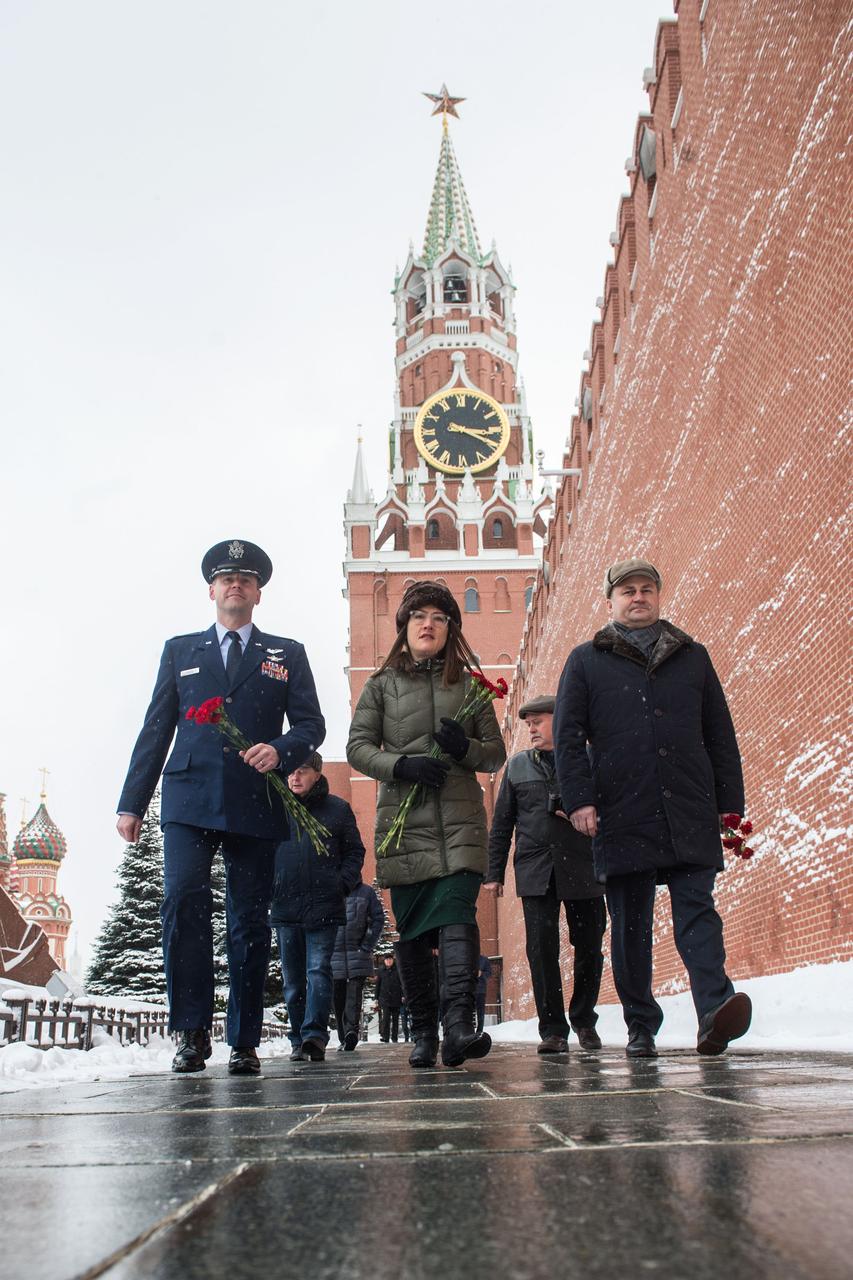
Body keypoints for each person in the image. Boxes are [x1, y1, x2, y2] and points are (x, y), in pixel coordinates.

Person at [116, 539, 325, 1076]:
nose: (236, 585)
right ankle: (190, 1033)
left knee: (248, 920)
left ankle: (244, 1041)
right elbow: (156, 728)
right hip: (188, 798)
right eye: (227, 578)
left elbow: (311, 726)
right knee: (184, 904)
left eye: (247, 579)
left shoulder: (286, 653)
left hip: (255, 801)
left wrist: (280, 750)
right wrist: (132, 803)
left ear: (258, 594)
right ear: (211, 590)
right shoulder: (181, 651)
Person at [553, 557, 752, 1059]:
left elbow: (719, 734)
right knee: (631, 924)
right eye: (627, 591)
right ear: (611, 602)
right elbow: (569, 739)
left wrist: (730, 805)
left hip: (688, 803)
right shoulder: (586, 660)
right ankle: (642, 1025)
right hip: (622, 807)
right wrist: (580, 800)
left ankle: (714, 1011)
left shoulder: (693, 656)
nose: (638, 597)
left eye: (646, 589)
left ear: (658, 597)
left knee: (697, 910)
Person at [347, 580, 506, 1068]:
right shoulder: (382, 685)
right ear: (405, 627)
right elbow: (358, 747)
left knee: (459, 915)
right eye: (419, 617)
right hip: (404, 823)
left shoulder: (472, 687)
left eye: (439, 617)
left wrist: (464, 750)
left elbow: (495, 753)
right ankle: (424, 1032)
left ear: (450, 628)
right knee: (413, 932)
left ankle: (458, 1027)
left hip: (459, 823)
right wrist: (401, 766)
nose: (429, 624)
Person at [484, 695, 606, 1054]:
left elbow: (609, 809)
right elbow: (502, 823)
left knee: (589, 946)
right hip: (536, 867)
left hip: (583, 864)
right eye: (528, 724)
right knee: (541, 950)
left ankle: (584, 1020)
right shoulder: (518, 766)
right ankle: (552, 1029)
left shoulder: (588, 759)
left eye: (538, 721)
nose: (532, 729)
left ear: (561, 718)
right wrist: (495, 872)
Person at [270, 753, 364, 1063]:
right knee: (293, 980)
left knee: (318, 971)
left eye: (302, 771)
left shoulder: (337, 809)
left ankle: (314, 1035)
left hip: (324, 906)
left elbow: (354, 852)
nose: (295, 778)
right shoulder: (276, 807)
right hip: (285, 907)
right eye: (291, 772)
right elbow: (261, 852)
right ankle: (298, 1037)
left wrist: (341, 884)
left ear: (317, 773)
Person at [331, 878, 385, 1051]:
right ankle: (343, 1035)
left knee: (354, 994)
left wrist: (367, 945)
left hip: (358, 953)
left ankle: (351, 1031)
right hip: (334, 955)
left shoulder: (366, 892)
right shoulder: (330, 888)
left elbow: (378, 919)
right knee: (337, 998)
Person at [375, 954, 404, 1042]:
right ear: (384, 961)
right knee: (386, 1019)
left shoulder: (398, 970)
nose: (389, 961)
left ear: (393, 960)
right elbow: (378, 985)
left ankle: (394, 1038)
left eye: (390, 959)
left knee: (395, 1019)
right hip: (385, 998)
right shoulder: (381, 971)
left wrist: (403, 995)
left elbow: (402, 983)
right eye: (387, 959)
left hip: (396, 997)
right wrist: (376, 998)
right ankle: (385, 1037)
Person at [475, 953, 492, 1036]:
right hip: (468, 989)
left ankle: (479, 1031)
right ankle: (468, 1030)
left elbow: (489, 973)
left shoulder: (484, 959)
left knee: (480, 1012)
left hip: (480, 990)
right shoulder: (467, 958)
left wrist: (481, 973)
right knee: (467, 1010)